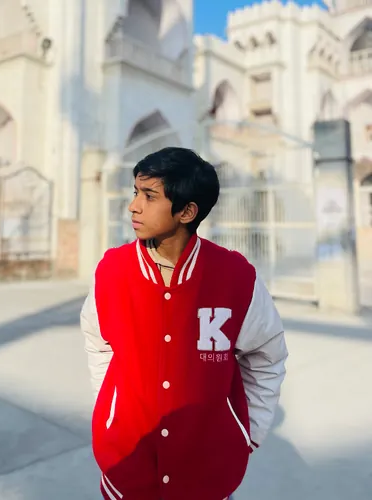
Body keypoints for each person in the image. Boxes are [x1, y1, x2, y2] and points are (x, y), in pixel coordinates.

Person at [80, 147, 288, 500]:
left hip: (207, 474)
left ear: (187, 211)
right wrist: (110, 413)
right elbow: (98, 346)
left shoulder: (235, 277)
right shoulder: (112, 272)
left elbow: (267, 357)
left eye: (149, 196)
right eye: (135, 192)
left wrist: (247, 432)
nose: (133, 206)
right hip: (128, 468)